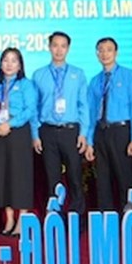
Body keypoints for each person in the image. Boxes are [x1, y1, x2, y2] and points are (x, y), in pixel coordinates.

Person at [32, 31, 89, 221]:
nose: (59, 50)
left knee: (74, 176)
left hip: (71, 130)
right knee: (51, 177)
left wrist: (84, 133)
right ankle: (54, 217)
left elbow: (83, 106)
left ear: (68, 49)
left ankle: (77, 217)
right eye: (55, 45)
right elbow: (34, 108)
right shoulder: (39, 75)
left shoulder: (78, 74)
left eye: (63, 46)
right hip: (47, 130)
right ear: (49, 47)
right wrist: (35, 134)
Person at [84, 37, 132, 212]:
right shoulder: (95, 81)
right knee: (103, 178)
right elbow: (91, 113)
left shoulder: (130, 76)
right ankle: (106, 217)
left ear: (116, 53)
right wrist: (89, 142)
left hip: (122, 131)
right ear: (97, 54)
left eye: (109, 49)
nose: (104, 53)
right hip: (101, 132)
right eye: (101, 50)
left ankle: (129, 216)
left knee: (125, 176)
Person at [0, 47, 37, 236]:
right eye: (6, 60)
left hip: (19, 132)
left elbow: (30, 110)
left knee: (20, 175)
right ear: (1, 64)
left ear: (20, 65)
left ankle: (21, 219)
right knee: (3, 175)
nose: (9, 64)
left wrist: (10, 124)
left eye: (14, 61)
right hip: (0, 134)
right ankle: (9, 218)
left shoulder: (26, 84)